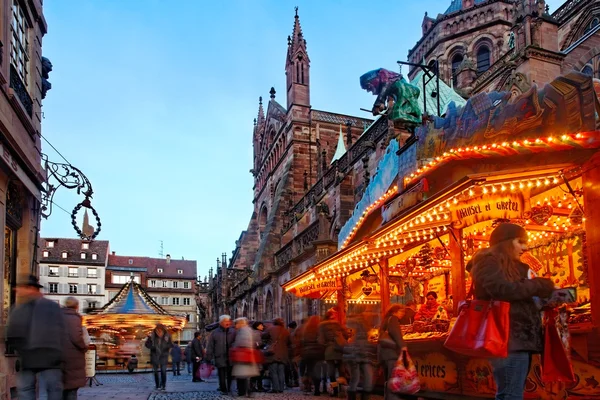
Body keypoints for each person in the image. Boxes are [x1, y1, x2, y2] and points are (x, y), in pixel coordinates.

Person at [471, 223, 555, 400]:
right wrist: (539, 284)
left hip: (517, 339)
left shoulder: (510, 266)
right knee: (510, 394)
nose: (525, 247)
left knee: (510, 393)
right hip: (506, 338)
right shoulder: (488, 262)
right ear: (505, 241)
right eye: (520, 241)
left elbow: (516, 294)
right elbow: (503, 290)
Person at [7, 274, 65, 400]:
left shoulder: (18, 309)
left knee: (27, 391)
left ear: (30, 288)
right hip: (49, 358)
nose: (17, 290)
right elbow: (62, 332)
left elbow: (12, 333)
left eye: (20, 287)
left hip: (32, 358)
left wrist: (20, 350)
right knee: (53, 390)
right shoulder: (52, 306)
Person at [378, 304, 407, 399]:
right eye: (401, 311)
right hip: (391, 352)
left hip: (383, 353)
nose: (403, 314)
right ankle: (392, 397)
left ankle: (387, 396)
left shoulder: (385, 320)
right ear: (395, 311)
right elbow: (396, 333)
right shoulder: (393, 319)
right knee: (393, 376)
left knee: (387, 377)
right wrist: (402, 346)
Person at [344, 315, 377, 400]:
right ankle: (365, 396)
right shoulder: (362, 329)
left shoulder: (353, 328)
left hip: (355, 355)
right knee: (367, 378)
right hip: (362, 355)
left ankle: (353, 396)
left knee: (355, 378)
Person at [318, 309, 349, 397]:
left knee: (331, 373)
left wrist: (325, 345)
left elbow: (321, 340)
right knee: (341, 371)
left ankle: (335, 390)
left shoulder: (322, 325)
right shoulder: (338, 324)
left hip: (329, 350)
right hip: (340, 350)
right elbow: (346, 335)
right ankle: (342, 391)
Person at [62, 297, 88, 400]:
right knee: (72, 388)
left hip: (58, 356)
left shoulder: (57, 316)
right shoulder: (74, 318)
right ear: (77, 306)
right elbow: (76, 337)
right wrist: (84, 348)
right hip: (72, 357)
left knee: (61, 388)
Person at [206, 315, 236, 394]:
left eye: (228, 321)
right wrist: (208, 357)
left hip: (230, 356)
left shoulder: (233, 331)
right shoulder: (215, 333)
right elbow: (210, 345)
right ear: (221, 322)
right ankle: (223, 389)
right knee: (221, 374)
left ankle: (229, 388)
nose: (228, 323)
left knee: (230, 374)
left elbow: (236, 342)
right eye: (225, 321)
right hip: (220, 356)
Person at [232, 318, 260, 397]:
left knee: (243, 376)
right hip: (247, 356)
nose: (235, 326)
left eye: (236, 324)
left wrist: (235, 347)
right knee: (246, 376)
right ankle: (247, 391)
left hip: (244, 357)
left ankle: (243, 392)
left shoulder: (243, 331)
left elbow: (243, 343)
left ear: (241, 323)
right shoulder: (248, 330)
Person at [262, 317, 291, 393]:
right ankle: (281, 388)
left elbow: (263, 336)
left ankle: (276, 388)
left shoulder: (271, 329)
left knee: (273, 372)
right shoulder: (286, 331)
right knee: (281, 372)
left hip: (273, 353)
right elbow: (289, 342)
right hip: (283, 354)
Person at [300, 316, 324, 396]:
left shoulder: (306, 330)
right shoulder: (320, 329)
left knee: (310, 370)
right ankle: (317, 389)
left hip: (308, 353)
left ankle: (308, 386)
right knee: (317, 372)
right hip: (317, 353)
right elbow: (321, 341)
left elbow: (302, 341)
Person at [145, 324, 174, 391]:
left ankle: (163, 385)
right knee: (155, 372)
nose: (159, 332)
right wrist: (153, 347)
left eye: (160, 331)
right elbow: (147, 344)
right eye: (157, 331)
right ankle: (157, 384)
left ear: (163, 330)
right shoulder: (152, 336)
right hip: (155, 356)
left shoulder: (167, 336)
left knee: (163, 371)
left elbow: (171, 344)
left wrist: (166, 347)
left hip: (163, 355)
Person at [251, 321, 266, 392]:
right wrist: (262, 344)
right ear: (257, 326)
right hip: (257, 353)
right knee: (259, 371)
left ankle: (254, 386)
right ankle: (258, 386)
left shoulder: (255, 332)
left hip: (256, 353)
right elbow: (257, 344)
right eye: (261, 325)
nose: (262, 327)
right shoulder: (257, 333)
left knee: (257, 370)